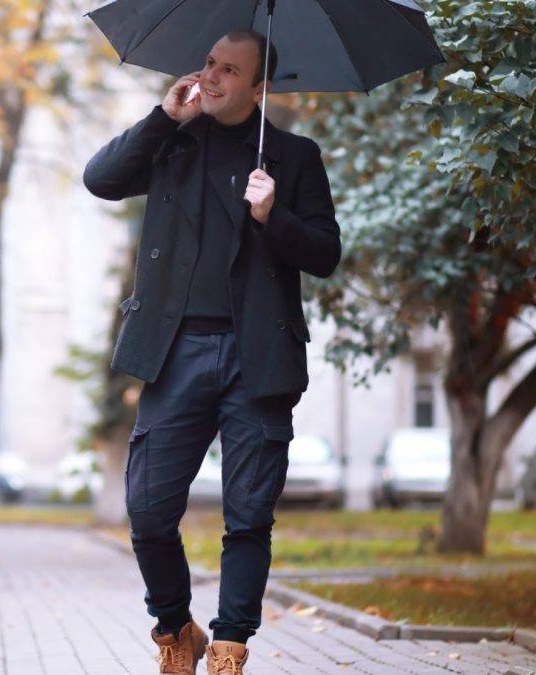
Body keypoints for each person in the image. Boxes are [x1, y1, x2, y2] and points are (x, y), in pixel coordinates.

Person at [83, 29, 341, 675]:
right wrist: (163, 117)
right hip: (175, 353)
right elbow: (100, 179)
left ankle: (229, 647)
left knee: (249, 515)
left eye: (230, 70)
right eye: (209, 64)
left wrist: (274, 216)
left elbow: (325, 253)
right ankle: (176, 629)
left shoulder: (293, 157)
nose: (212, 77)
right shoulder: (173, 142)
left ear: (260, 86)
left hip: (259, 360)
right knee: (147, 510)